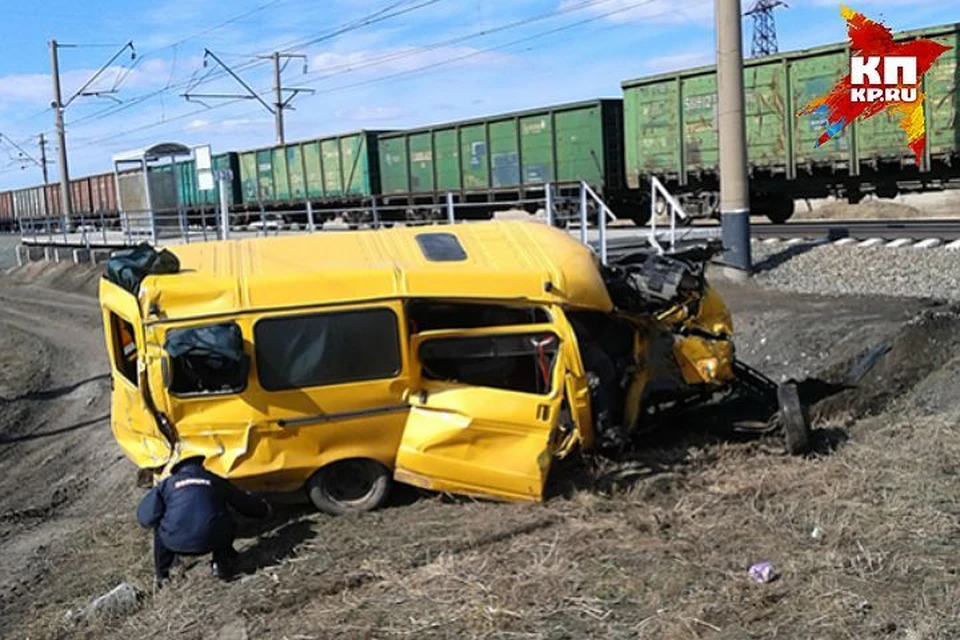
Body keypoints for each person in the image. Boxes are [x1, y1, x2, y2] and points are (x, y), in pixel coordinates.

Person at [136, 455, 271, 585]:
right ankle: (222, 563)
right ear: (201, 465)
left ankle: (162, 575)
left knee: (158, 528)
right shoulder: (214, 480)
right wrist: (264, 510)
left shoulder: (167, 484)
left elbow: (146, 517)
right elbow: (243, 503)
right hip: (211, 540)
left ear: (176, 469)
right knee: (226, 515)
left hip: (175, 544)